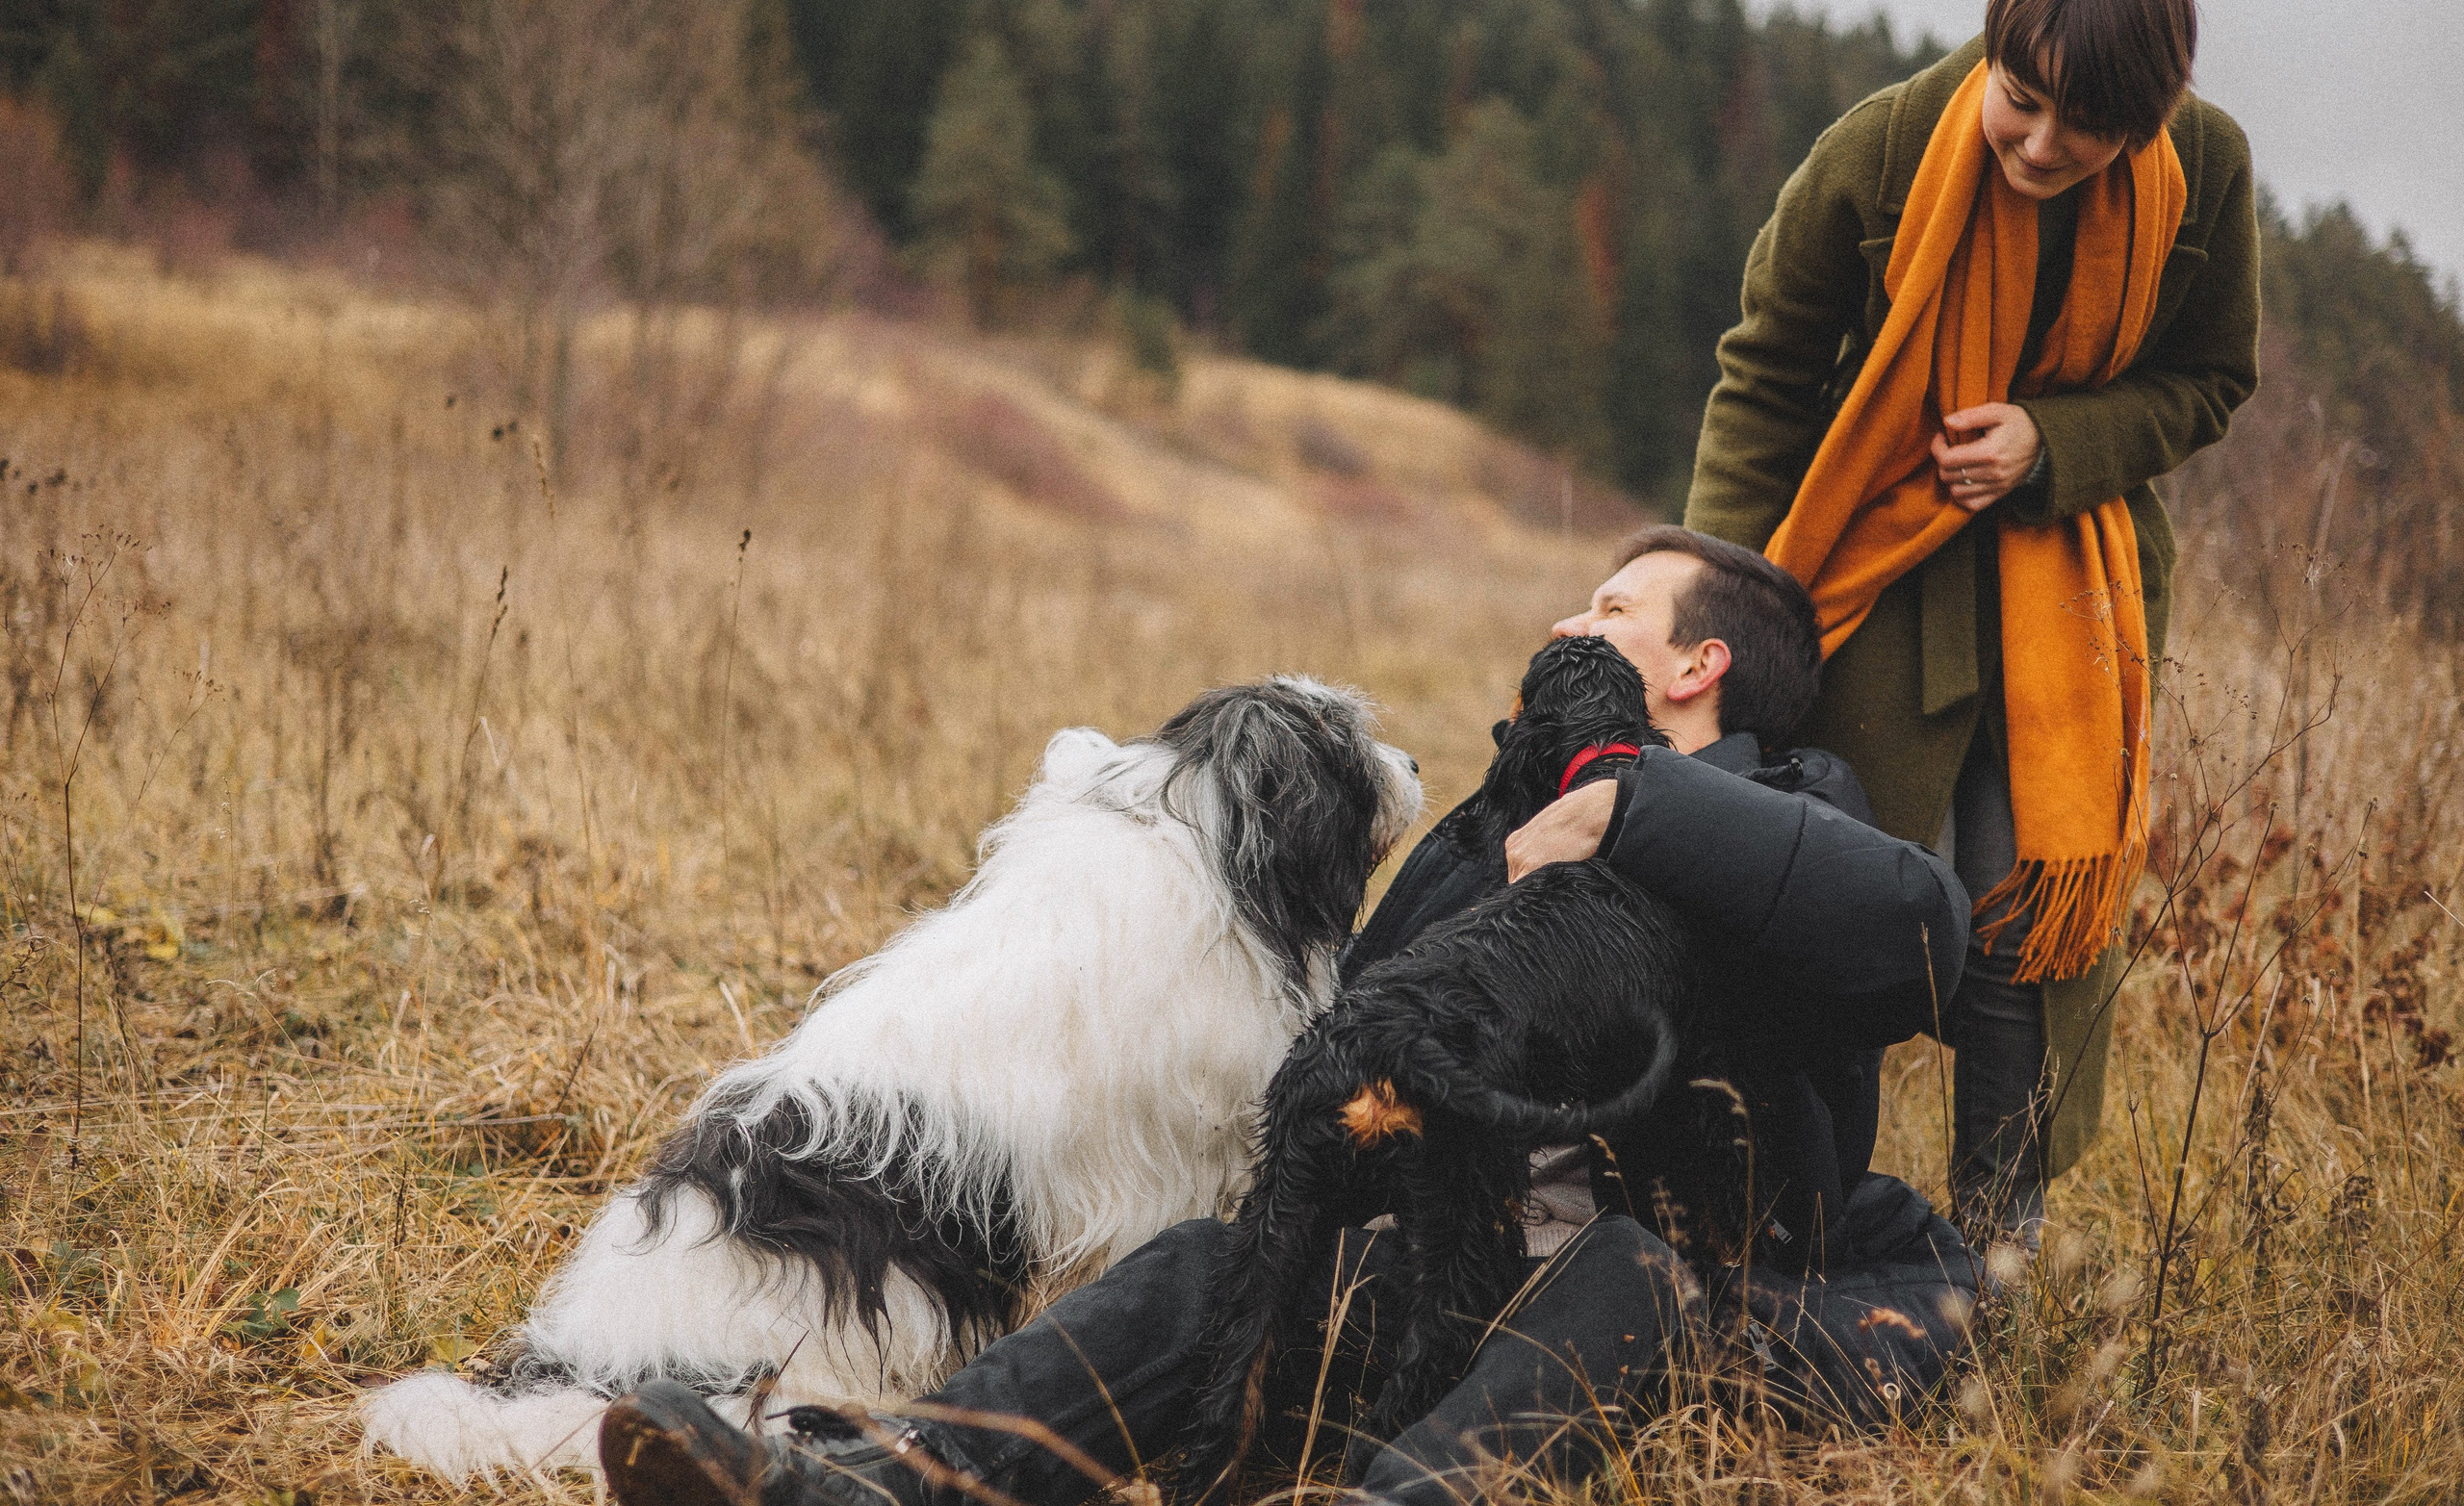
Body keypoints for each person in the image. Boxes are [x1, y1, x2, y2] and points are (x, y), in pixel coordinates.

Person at [592, 527, 1981, 1506]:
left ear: (1701, 663)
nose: (1568, 624)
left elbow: (1924, 943)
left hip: (1665, 1303)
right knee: (1210, 1263)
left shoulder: (1797, 803)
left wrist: (1642, 806)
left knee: (1616, 1263)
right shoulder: (1481, 834)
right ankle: (884, 1485)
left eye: (1612, 607)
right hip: (1444, 1267)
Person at [1683, 0, 2258, 1244]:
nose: (2044, 145)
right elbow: (1767, 374)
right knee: (1825, 913)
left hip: (2074, 608)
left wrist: (2056, 441)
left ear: (2152, 121)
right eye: (2025, 97)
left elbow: (2211, 381)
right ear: (1996, 45)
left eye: (2090, 128)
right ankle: (1794, 1225)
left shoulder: (2205, 174)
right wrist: (1711, 605)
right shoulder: (1883, 149)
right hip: (1875, 587)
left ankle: (1997, 1261)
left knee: (2022, 936)